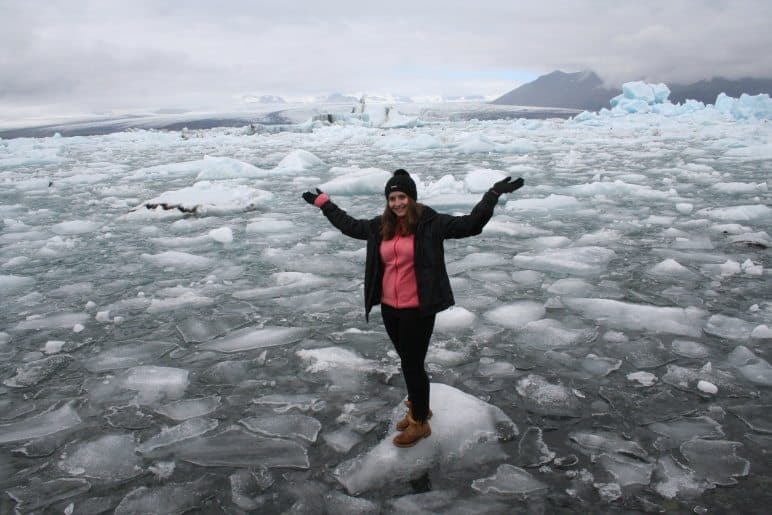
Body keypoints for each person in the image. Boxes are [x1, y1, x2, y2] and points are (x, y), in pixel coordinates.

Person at [303, 169, 524, 447]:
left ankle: (420, 422)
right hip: (389, 308)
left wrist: (492, 195)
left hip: (418, 308)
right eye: (392, 198)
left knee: (411, 363)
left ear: (412, 197)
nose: (397, 203)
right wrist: (325, 204)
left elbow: (471, 224)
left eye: (402, 197)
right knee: (409, 361)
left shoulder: (431, 224)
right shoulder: (381, 227)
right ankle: (420, 405)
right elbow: (350, 226)